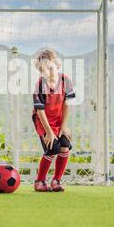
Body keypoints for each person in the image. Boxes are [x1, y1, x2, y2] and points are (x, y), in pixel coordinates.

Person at [32, 49, 76, 192]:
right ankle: (40, 181)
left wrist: (63, 126)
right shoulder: (40, 85)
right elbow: (40, 111)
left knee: (65, 146)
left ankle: (56, 180)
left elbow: (66, 104)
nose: (47, 73)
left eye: (50, 68)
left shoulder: (65, 81)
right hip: (43, 122)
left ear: (57, 65)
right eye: (42, 70)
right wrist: (49, 132)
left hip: (58, 121)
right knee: (53, 149)